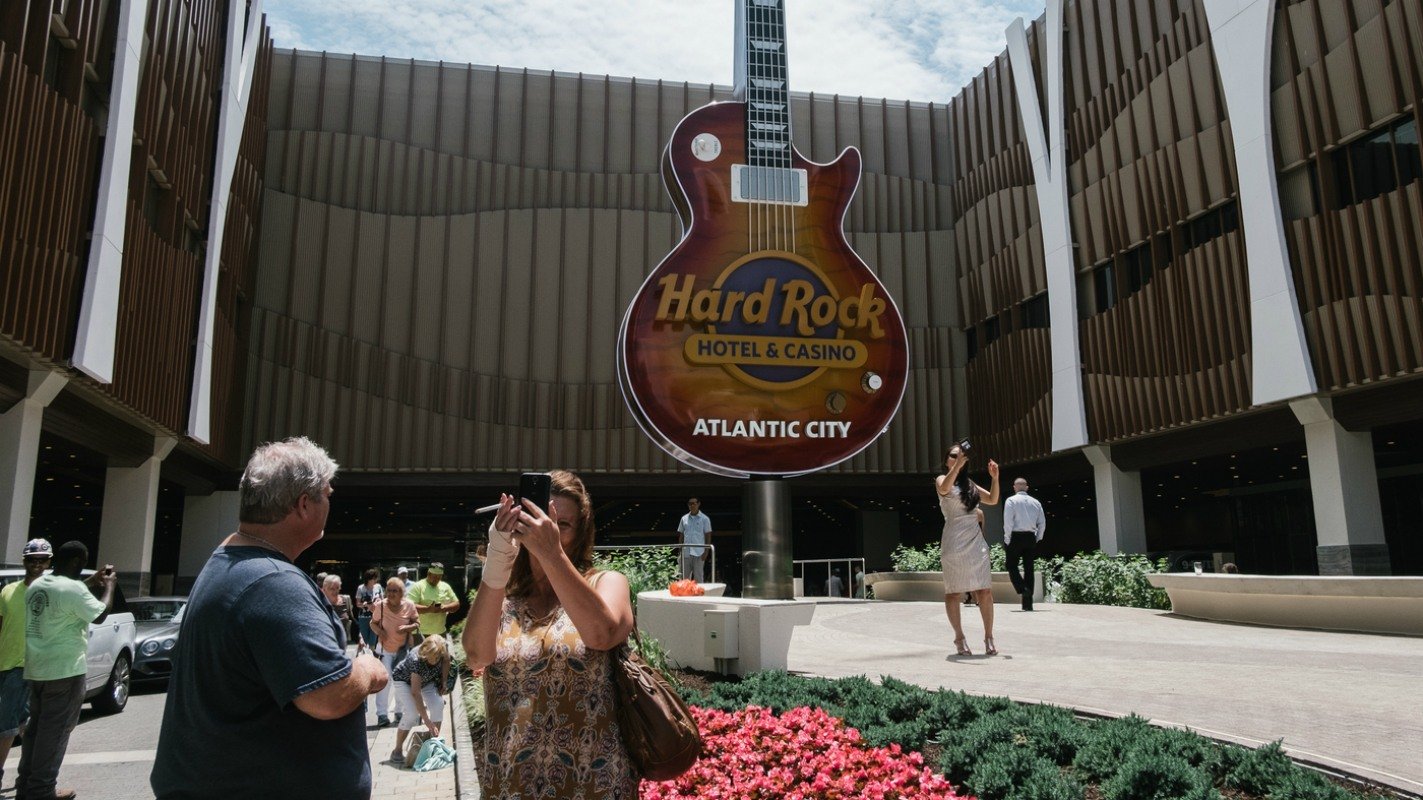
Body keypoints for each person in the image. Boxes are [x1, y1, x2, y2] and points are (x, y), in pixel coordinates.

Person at [151, 436, 389, 799]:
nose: (331, 502)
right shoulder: (273, 583)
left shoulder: (230, 562)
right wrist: (367, 668)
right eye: (327, 494)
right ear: (304, 504)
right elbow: (327, 696)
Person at [463, 469, 637, 798]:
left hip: (594, 784)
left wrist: (550, 551)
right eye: (538, 517)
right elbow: (476, 655)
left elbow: (603, 634)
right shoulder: (503, 599)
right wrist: (498, 558)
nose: (550, 528)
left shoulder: (606, 583)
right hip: (511, 783)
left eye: (563, 524)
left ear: (581, 531)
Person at [18, 541, 116, 800]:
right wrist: (109, 586)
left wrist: (91, 581)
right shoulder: (72, 589)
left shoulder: (37, 586)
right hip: (65, 671)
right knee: (56, 732)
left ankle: (25, 785)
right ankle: (41, 790)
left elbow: (64, 599)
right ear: (76, 562)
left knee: (36, 730)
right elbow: (100, 613)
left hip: (37, 669)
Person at [936, 442, 1001, 656]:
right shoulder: (941, 480)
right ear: (947, 460)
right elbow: (945, 488)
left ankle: (989, 637)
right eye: (954, 455)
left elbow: (992, 499)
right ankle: (959, 637)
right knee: (954, 592)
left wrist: (995, 478)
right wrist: (957, 466)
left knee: (984, 590)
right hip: (954, 540)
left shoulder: (970, 484)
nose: (958, 458)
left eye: (961, 455)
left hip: (975, 540)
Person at [0, 539, 52, 788]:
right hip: (4, 664)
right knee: (25, 725)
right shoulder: (8, 591)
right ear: (24, 561)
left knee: (6, 724)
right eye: (32, 559)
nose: (37, 564)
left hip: (28, 666)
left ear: (49, 562)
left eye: (43, 560)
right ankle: (34, 780)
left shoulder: (54, 592)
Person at [388, 635, 452, 763]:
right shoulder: (416, 659)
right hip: (404, 681)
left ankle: (432, 747)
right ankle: (397, 751)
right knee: (412, 714)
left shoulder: (442, 649)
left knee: (438, 705)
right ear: (425, 653)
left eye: (437, 658)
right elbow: (416, 693)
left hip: (427, 680)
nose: (434, 662)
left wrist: (444, 682)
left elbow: (446, 661)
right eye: (431, 659)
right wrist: (427, 720)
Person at [370, 577, 419, 728]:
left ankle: (399, 711)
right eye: (389, 590)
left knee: (401, 681)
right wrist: (379, 631)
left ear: (402, 592)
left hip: (402, 651)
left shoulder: (409, 605)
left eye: (395, 591)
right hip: (384, 650)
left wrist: (407, 628)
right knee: (384, 682)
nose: (391, 594)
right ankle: (382, 715)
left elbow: (417, 622)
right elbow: (372, 623)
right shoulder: (381, 606)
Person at [1002, 476, 1047, 611]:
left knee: (1011, 565)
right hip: (1030, 537)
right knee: (1029, 568)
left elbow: (1008, 521)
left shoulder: (1011, 501)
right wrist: (1038, 537)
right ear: (1027, 488)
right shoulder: (1036, 502)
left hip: (1015, 536)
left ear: (1015, 487)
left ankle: (1022, 588)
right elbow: (1042, 523)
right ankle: (1028, 604)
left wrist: (1007, 538)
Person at [406, 563, 460, 639]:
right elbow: (409, 606)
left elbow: (456, 604)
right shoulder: (418, 586)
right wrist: (428, 609)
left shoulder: (445, 586)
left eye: (439, 577)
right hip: (420, 633)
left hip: (440, 633)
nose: (436, 579)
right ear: (428, 574)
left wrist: (445, 608)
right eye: (434, 576)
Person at [676, 497, 712, 583]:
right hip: (686, 553)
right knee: (684, 579)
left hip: (699, 553)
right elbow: (681, 535)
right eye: (690, 503)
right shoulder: (684, 518)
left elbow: (708, 535)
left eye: (694, 503)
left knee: (698, 578)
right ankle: (684, 596)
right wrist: (680, 550)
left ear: (698, 504)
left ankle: (699, 596)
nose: (691, 505)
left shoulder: (705, 519)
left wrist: (706, 552)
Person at [354, 568, 383, 653]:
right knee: (364, 639)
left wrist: (378, 602)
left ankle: (370, 659)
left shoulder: (378, 587)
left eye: (376, 578)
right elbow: (357, 604)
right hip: (363, 616)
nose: (375, 580)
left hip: (375, 616)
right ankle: (360, 655)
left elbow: (383, 601)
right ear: (368, 579)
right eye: (374, 578)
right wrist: (366, 604)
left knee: (372, 640)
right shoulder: (361, 588)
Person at [322, 574, 356, 646]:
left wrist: (361, 635)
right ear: (324, 589)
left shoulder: (345, 600)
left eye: (337, 588)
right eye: (332, 589)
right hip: (326, 644)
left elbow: (353, 619)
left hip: (342, 643)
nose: (335, 591)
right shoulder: (320, 604)